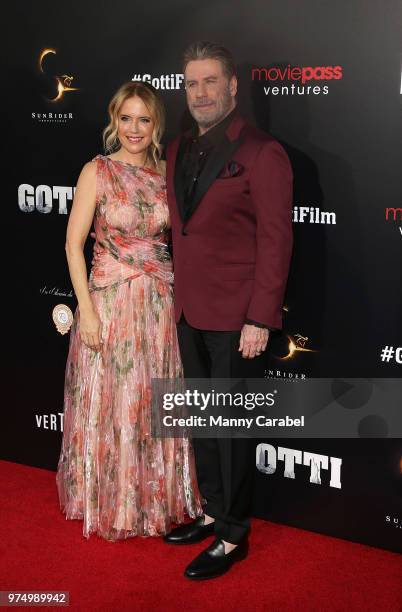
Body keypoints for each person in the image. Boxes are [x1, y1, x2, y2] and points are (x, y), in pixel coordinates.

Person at [164, 42, 293, 579]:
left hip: (239, 319)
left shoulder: (264, 152)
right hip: (189, 311)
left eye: (211, 81)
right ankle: (214, 510)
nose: (201, 93)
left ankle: (234, 535)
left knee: (231, 430)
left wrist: (261, 318)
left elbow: (277, 240)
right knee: (201, 422)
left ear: (233, 87)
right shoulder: (175, 148)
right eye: (192, 83)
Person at [56, 81, 202, 541]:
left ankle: (150, 498)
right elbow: (72, 245)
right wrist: (88, 312)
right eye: (126, 118)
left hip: (158, 304)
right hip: (110, 303)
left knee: (149, 403)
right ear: (113, 120)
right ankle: (111, 501)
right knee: (111, 403)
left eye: (144, 119)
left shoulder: (167, 174)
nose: (134, 128)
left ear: (155, 123)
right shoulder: (96, 171)